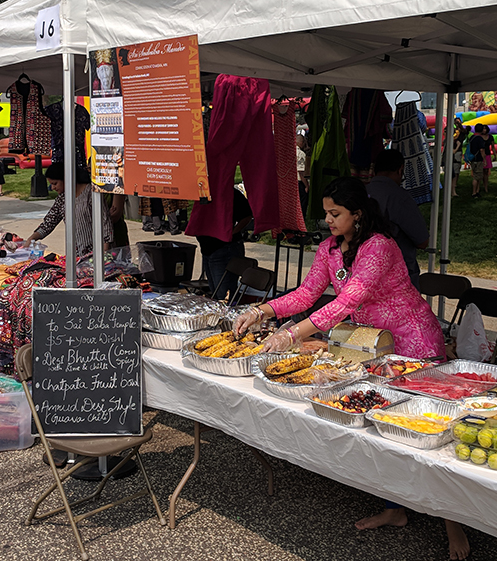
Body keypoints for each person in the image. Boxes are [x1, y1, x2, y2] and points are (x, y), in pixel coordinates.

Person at [233, 177, 468, 560]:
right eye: (326, 213)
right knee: (383, 430)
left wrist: (291, 335)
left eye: (335, 213)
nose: (327, 220)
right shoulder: (330, 248)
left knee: (423, 432)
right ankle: (395, 509)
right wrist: (263, 311)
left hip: (412, 342)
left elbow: (346, 303)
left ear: (357, 214)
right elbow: (306, 294)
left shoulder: (379, 247)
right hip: (372, 345)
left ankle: (452, 521)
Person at [366, 149, 429, 290]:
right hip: (397, 278)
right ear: (400, 170)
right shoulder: (399, 197)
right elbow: (423, 241)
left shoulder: (360, 193)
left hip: (363, 274)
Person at [23, 162, 113, 257]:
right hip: (76, 254)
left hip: (97, 252)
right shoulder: (62, 198)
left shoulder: (91, 194)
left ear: (67, 179)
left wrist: (104, 253)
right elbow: (49, 222)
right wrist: (32, 238)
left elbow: (105, 223)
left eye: (55, 183)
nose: (53, 188)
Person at [196, 186, 253, 300]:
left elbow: (247, 216)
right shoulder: (203, 192)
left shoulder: (232, 194)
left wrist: (232, 232)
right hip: (208, 248)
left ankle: (230, 309)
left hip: (224, 248)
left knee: (223, 294)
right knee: (215, 292)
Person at [468, 123, 488, 199]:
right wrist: (484, 159)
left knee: (477, 175)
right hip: (478, 159)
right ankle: (474, 192)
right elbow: (482, 150)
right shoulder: (480, 139)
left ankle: (477, 191)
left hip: (472, 158)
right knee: (476, 177)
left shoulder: (472, 137)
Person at [452, 125, 470, 197]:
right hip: (455, 153)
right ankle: (453, 188)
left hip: (457, 153)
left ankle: (454, 186)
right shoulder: (454, 135)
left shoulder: (461, 135)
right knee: (454, 172)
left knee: (456, 171)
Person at [481, 125, 496, 193]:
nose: (484, 130)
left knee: (486, 171)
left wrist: (494, 155)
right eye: (483, 129)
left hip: (487, 155)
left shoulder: (490, 137)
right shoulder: (479, 137)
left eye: (485, 129)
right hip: (481, 155)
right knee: (481, 171)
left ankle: (486, 186)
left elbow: (493, 147)